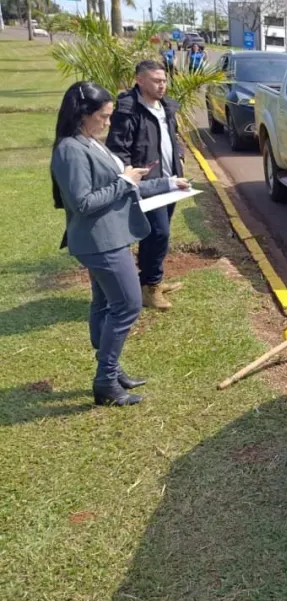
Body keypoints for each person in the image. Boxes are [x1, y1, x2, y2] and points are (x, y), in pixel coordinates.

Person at [50, 82, 190, 406]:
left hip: (110, 236)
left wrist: (166, 182)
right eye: (103, 116)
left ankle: (109, 370)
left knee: (104, 305)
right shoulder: (70, 150)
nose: (108, 123)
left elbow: (124, 184)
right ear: (83, 115)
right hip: (99, 242)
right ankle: (106, 382)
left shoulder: (91, 142)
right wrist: (125, 181)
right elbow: (82, 202)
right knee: (127, 305)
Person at [106, 60, 184, 310]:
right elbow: (118, 148)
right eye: (156, 81)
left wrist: (179, 153)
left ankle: (152, 280)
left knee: (158, 234)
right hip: (146, 185)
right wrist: (129, 178)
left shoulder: (165, 107)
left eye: (164, 80)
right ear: (139, 80)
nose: (162, 85)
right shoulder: (129, 109)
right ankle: (151, 287)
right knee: (158, 233)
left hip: (170, 180)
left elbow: (173, 136)